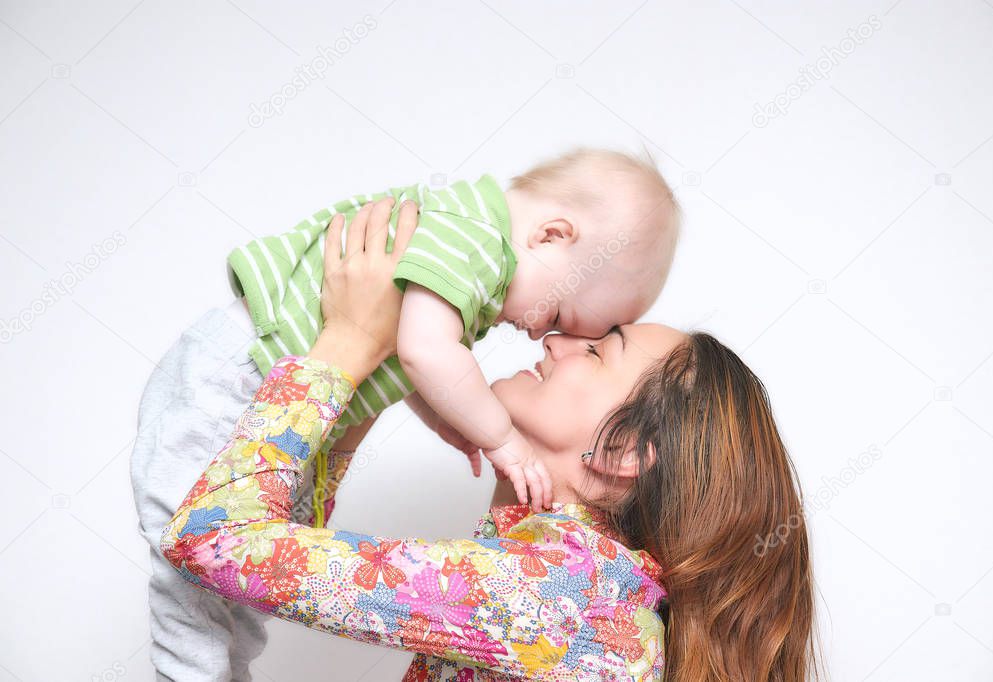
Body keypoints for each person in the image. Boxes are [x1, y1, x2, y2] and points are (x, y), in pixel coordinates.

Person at [159, 200, 817, 680]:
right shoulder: (587, 592)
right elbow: (259, 558)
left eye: (597, 353)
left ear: (623, 454)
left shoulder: (559, 594)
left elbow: (214, 542)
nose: (557, 341)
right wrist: (365, 382)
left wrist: (346, 345)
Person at [227, 148, 681, 526]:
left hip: (273, 390)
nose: (543, 335)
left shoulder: (473, 254)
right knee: (196, 585)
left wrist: (445, 412)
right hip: (246, 367)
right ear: (551, 236)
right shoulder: (478, 239)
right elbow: (424, 351)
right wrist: (500, 439)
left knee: (225, 598)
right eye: (558, 312)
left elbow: (410, 355)